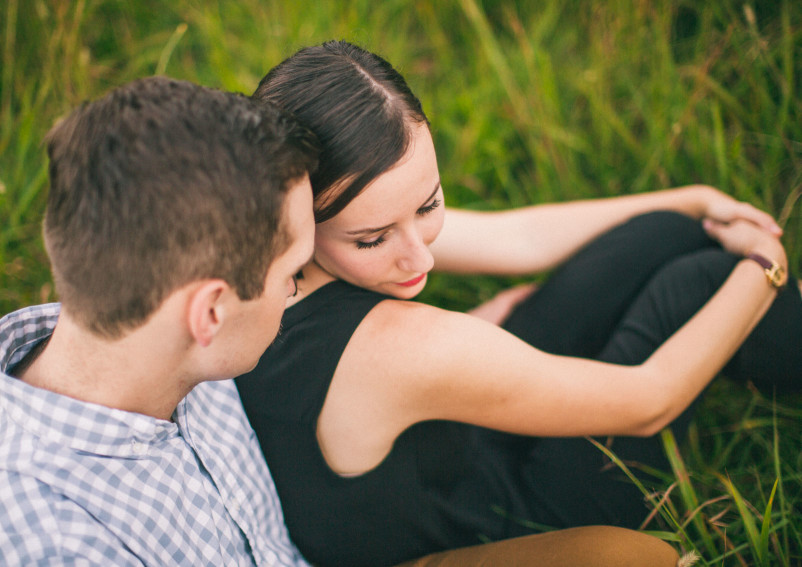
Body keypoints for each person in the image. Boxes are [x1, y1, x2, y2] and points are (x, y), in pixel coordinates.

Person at [0, 75, 680, 567]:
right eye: (293, 272)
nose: (305, 289)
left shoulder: (138, 331)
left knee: (640, 556)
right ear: (209, 311)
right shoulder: (40, 537)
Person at [235, 40, 802, 567]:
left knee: (666, 233)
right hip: (513, 521)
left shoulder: (270, 250)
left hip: (446, 444)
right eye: (375, 239)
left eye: (429, 204)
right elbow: (650, 400)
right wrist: (764, 269)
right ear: (301, 214)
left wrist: (691, 202)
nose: (420, 258)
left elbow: (517, 239)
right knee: (703, 282)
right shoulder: (402, 347)